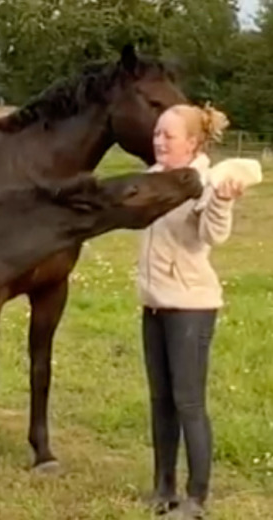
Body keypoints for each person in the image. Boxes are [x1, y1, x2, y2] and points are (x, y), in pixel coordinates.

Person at [136, 103, 245, 519]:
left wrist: (221, 201)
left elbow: (212, 234)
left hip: (190, 309)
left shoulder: (203, 182)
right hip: (154, 306)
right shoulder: (151, 179)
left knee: (188, 402)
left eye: (169, 135)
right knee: (160, 399)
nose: (159, 141)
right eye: (157, 133)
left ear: (193, 143)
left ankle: (196, 498)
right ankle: (163, 487)